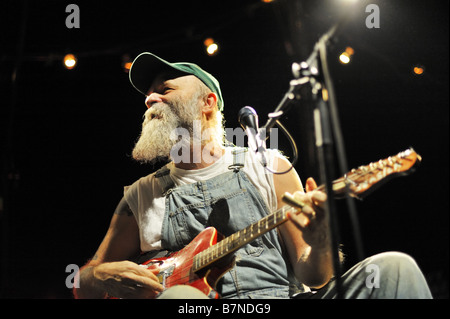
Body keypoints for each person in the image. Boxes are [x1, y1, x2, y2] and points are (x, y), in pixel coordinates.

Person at [73, 52, 432, 299]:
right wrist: (98, 275)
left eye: (164, 89)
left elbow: (316, 276)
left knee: (395, 269)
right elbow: (83, 280)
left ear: (208, 102)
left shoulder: (268, 165)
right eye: (148, 94)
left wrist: (319, 236)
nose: (150, 99)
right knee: (181, 296)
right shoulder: (139, 196)